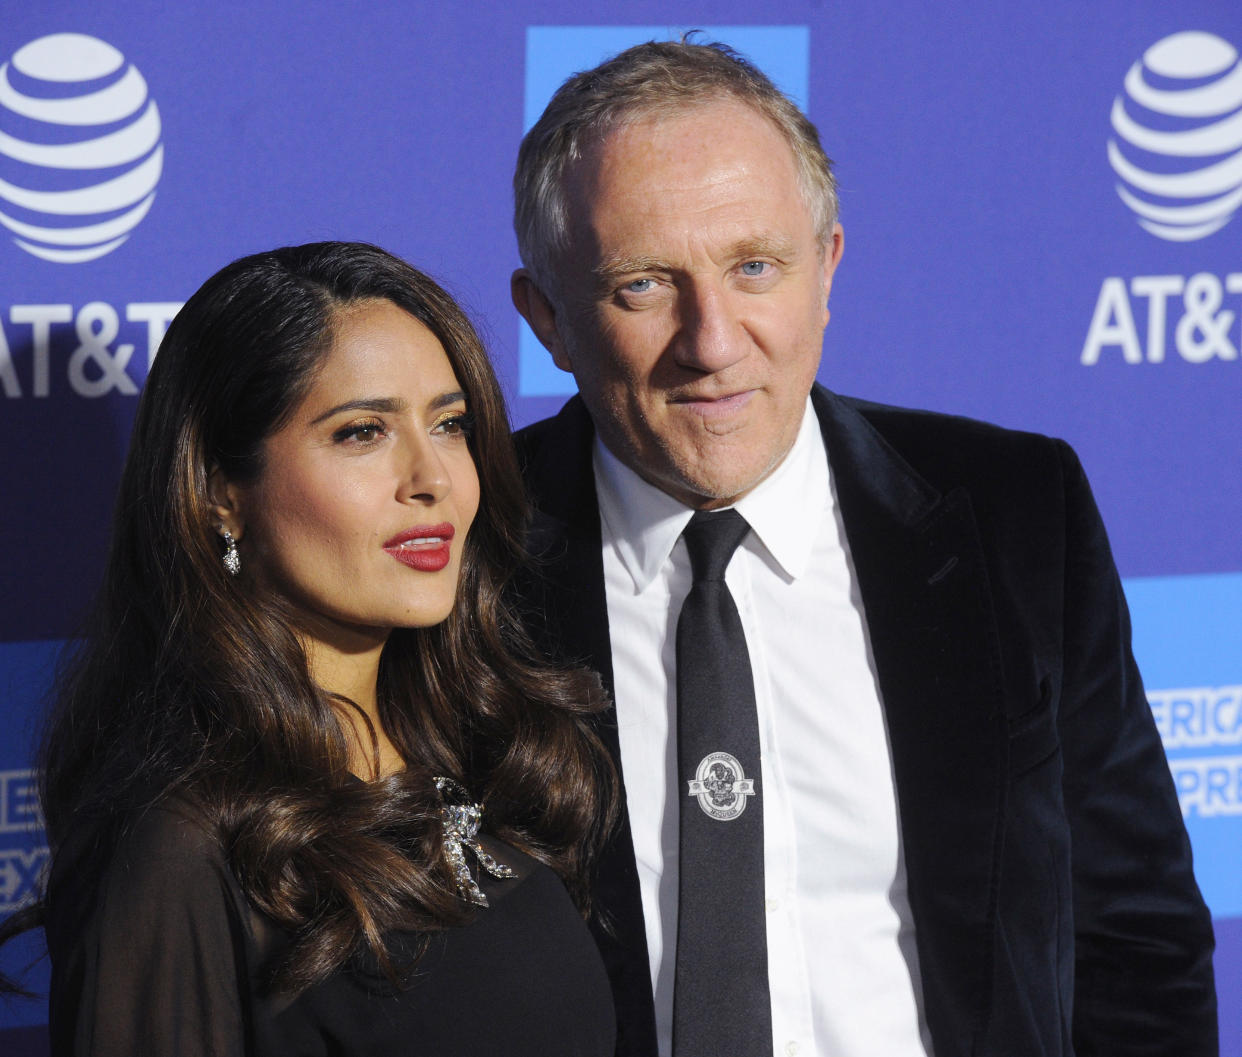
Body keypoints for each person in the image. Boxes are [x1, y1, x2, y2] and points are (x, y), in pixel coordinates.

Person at [507, 39, 1217, 1057]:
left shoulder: (1014, 514)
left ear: (827, 267)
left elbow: (1135, 938)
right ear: (548, 320)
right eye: (643, 285)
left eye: (756, 267)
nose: (712, 340)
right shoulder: (466, 554)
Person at [0, 242, 616, 1055]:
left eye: (450, 423)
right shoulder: (181, 849)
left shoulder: (488, 753)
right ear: (221, 492)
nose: (431, 476)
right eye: (362, 431)